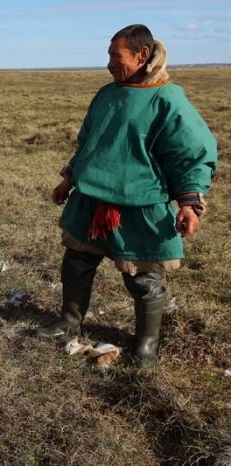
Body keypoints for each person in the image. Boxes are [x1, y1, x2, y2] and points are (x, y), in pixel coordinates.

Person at [37, 25, 218, 367]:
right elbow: (90, 143)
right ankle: (69, 321)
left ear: (141, 56)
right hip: (93, 198)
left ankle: (146, 344)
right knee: (76, 263)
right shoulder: (107, 94)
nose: (109, 63)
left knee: (144, 280)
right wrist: (69, 178)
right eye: (108, 55)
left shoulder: (168, 99)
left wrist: (190, 205)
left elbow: (191, 153)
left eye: (115, 56)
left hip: (142, 203)